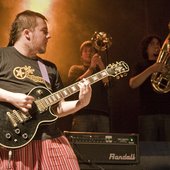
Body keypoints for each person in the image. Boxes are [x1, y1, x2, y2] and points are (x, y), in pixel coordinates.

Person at [0, 10, 92, 170]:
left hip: (50, 138)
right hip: (13, 140)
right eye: (44, 31)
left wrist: (80, 103)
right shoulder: (2, 55)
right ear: (27, 33)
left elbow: (57, 108)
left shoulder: (48, 68)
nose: (49, 36)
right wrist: (10, 97)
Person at [129, 34, 170, 141]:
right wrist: (152, 69)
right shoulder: (140, 65)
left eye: (158, 44)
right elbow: (133, 84)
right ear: (146, 48)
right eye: (152, 44)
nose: (156, 46)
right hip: (148, 114)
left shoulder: (167, 65)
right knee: (148, 150)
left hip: (167, 113)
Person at [68, 40, 110, 132]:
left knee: (103, 145)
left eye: (91, 51)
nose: (88, 53)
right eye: (85, 51)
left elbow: (108, 84)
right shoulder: (75, 69)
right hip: (82, 113)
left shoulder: (102, 71)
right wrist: (91, 68)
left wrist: (101, 65)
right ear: (81, 55)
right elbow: (74, 86)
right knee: (79, 145)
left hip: (102, 114)